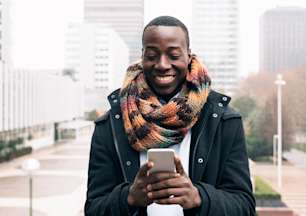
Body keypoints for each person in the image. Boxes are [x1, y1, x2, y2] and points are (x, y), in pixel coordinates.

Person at [84, 16, 256, 216]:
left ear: (189, 56)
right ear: (142, 56)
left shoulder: (224, 121)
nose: (162, 64)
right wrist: (129, 198)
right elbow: (94, 209)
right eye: (152, 55)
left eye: (173, 55)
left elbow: (244, 207)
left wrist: (198, 198)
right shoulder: (110, 125)